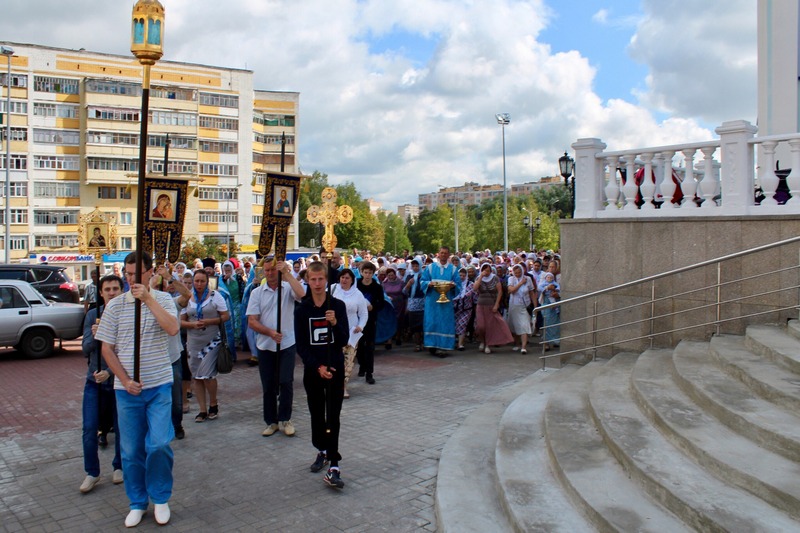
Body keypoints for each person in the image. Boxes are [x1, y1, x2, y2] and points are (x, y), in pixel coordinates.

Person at [95, 252, 180, 527]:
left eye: (135, 274)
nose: (130, 279)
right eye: (127, 274)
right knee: (131, 450)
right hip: (126, 389)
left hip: (158, 385)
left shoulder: (163, 299)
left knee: (158, 444)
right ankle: (137, 501)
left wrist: (148, 298)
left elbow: (172, 328)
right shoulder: (116, 306)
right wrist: (124, 379)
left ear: (149, 272)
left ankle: (161, 497)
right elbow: (107, 348)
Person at [294, 261, 349, 489]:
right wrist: (318, 367)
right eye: (313, 279)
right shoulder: (302, 310)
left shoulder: (337, 305)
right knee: (317, 415)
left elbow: (344, 339)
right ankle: (322, 449)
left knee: (333, 416)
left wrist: (335, 323)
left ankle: (334, 465)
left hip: (335, 368)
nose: (317, 284)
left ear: (327, 280)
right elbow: (302, 346)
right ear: (307, 280)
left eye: (321, 279)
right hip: (314, 371)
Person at [246, 258, 305, 437]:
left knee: (286, 382)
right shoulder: (257, 293)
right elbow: (252, 321)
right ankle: (271, 421)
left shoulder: (287, 288)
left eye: (273, 270)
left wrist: (287, 273)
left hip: (287, 343)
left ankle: (285, 419)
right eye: (267, 270)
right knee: (268, 385)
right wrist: (269, 332)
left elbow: (302, 294)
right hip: (265, 345)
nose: (270, 273)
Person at [80, 274, 124, 494]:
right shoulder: (92, 315)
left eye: (116, 288)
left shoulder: (126, 315)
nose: (112, 293)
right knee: (89, 428)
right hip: (93, 380)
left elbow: (125, 351)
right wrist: (96, 336)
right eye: (107, 289)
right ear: (101, 292)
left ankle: (119, 466)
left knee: (121, 426)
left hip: (117, 380)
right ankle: (92, 472)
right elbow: (85, 349)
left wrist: (109, 371)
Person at [181, 269, 230, 423]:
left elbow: (225, 316)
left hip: (211, 341)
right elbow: (180, 320)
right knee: (197, 376)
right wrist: (191, 324)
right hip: (194, 341)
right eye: (197, 281)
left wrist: (209, 321)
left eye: (202, 281)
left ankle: (213, 403)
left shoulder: (216, 296)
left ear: (207, 282)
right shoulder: (188, 298)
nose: (199, 284)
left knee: (208, 375)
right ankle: (202, 409)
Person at [330, 268, 368, 399]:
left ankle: (343, 386)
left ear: (352, 280)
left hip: (351, 333)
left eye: (347, 278)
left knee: (348, 361)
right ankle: (332, 385)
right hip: (334, 331)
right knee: (335, 360)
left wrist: (360, 326)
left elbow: (363, 313)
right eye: (342, 277)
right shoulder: (332, 290)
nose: (344, 280)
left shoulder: (357, 294)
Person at [420, 247, 461, 357]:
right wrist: (429, 284)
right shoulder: (430, 268)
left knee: (444, 323)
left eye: (445, 253)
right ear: (438, 254)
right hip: (432, 301)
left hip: (446, 302)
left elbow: (458, 284)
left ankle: (443, 347)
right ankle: (432, 345)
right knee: (432, 322)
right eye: (441, 253)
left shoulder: (453, 269)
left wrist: (453, 286)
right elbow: (422, 281)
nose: (443, 255)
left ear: (448, 255)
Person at [473, 263, 513, 353]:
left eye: (488, 270)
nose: (486, 272)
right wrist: (480, 277)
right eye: (484, 270)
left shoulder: (495, 278)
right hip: (480, 304)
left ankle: (488, 344)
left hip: (491, 304)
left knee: (489, 326)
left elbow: (499, 292)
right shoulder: (478, 278)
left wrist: (496, 304)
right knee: (481, 325)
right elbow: (475, 288)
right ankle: (482, 341)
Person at [355, 261, 385, 383]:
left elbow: (381, 303)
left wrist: (373, 307)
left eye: (370, 273)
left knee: (370, 346)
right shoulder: (356, 285)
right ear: (361, 272)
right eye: (365, 272)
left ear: (373, 273)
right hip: (357, 320)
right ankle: (362, 365)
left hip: (371, 319)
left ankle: (369, 373)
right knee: (359, 345)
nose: (367, 275)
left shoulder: (377, 287)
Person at [506, 264, 535, 354]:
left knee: (524, 325)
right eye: (516, 272)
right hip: (514, 305)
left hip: (525, 306)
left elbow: (531, 293)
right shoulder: (511, 279)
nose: (518, 274)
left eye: (519, 272)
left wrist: (535, 305)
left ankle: (523, 347)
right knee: (514, 325)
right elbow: (511, 290)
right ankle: (516, 343)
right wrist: (521, 283)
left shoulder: (528, 279)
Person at [452, 267, 476, 351]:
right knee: (454, 325)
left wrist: (461, 295)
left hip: (466, 309)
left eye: (463, 275)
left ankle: (460, 344)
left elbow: (469, 293)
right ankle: (454, 342)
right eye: (460, 275)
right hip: (455, 308)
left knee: (462, 324)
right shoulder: (454, 284)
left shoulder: (470, 284)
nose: (461, 277)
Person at [538, 272, 561, 350]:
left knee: (555, 323)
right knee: (546, 323)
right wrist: (547, 288)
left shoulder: (555, 283)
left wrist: (555, 290)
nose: (549, 279)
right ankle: (546, 342)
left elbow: (559, 288)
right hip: (545, 304)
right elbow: (540, 288)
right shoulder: (543, 283)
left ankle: (555, 340)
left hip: (554, 305)